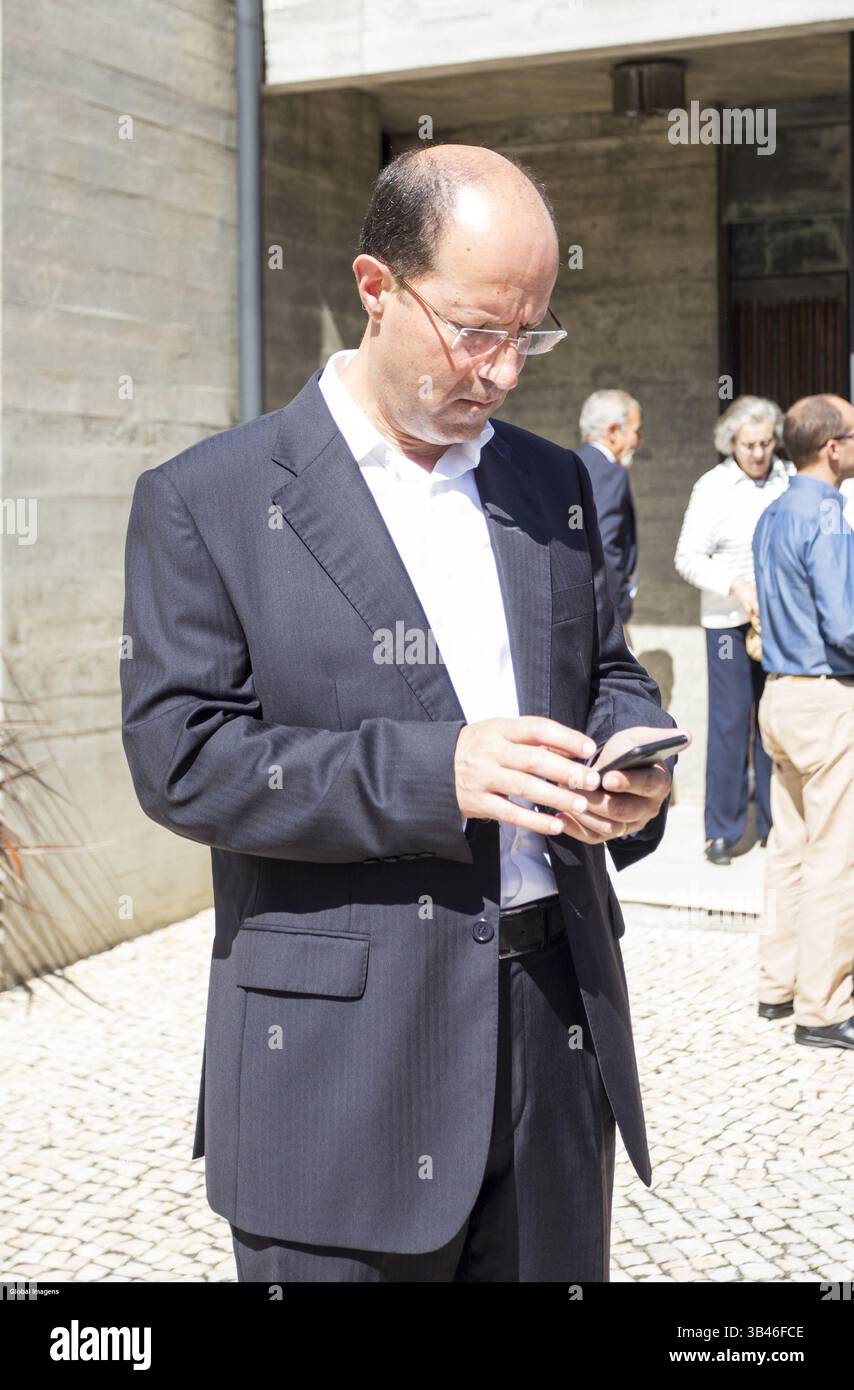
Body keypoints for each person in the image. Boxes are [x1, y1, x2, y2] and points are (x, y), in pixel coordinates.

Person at [120, 144, 689, 1283]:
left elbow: (606, 668)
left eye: (529, 335)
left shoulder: (551, 482)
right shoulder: (211, 499)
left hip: (550, 1033)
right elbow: (182, 761)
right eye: (477, 329)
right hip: (339, 1074)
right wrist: (439, 773)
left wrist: (635, 756)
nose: (503, 370)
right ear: (375, 288)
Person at [752, 393, 854, 1049]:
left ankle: (777, 986)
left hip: (779, 695)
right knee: (835, 856)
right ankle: (823, 1007)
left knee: (787, 848)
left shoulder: (771, 511)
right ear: (833, 447)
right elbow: (845, 624)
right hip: (825, 697)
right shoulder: (828, 512)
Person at [674, 395, 791, 864]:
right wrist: (736, 585)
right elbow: (687, 557)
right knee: (729, 721)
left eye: (765, 443)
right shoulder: (712, 487)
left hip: (777, 620)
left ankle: (772, 823)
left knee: (771, 721)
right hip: (726, 621)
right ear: (730, 443)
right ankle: (720, 830)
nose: (759, 453)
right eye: (748, 445)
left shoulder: (788, 479)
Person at [576, 390, 640, 633]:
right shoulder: (611, 473)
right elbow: (605, 544)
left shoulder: (569, 463)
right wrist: (618, 611)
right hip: (603, 611)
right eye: (636, 432)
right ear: (613, 431)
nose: (638, 441)